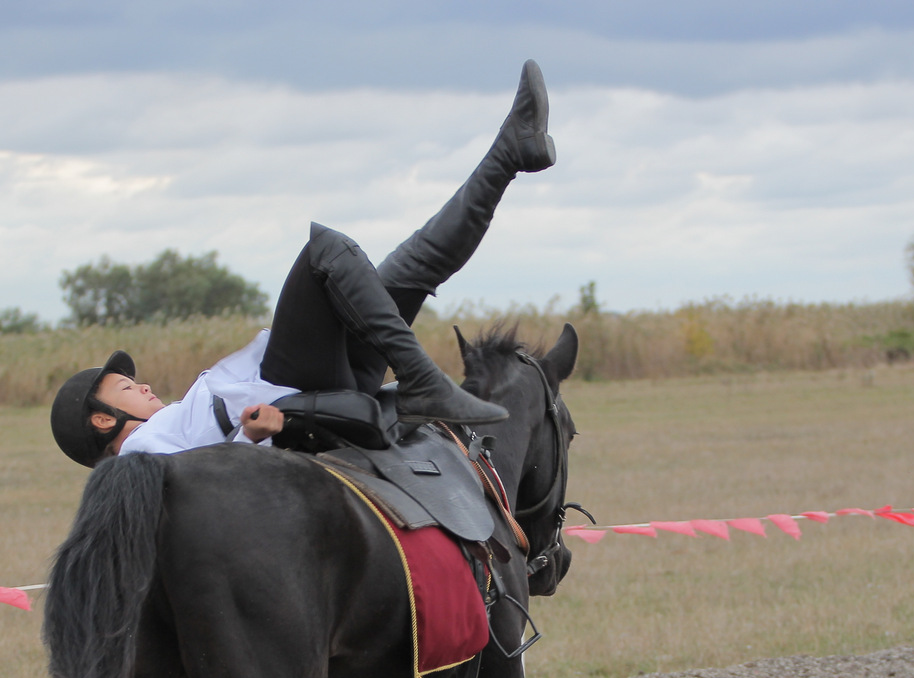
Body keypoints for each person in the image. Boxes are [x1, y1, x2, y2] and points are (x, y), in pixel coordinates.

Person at [51, 60, 557, 468]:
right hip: (297, 385)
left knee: (411, 266)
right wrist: (254, 436)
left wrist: (251, 432)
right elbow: (201, 482)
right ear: (102, 421)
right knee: (322, 252)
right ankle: (424, 382)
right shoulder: (138, 454)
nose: (142, 386)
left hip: (316, 380)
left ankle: (511, 152)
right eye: (125, 389)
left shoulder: (168, 425)